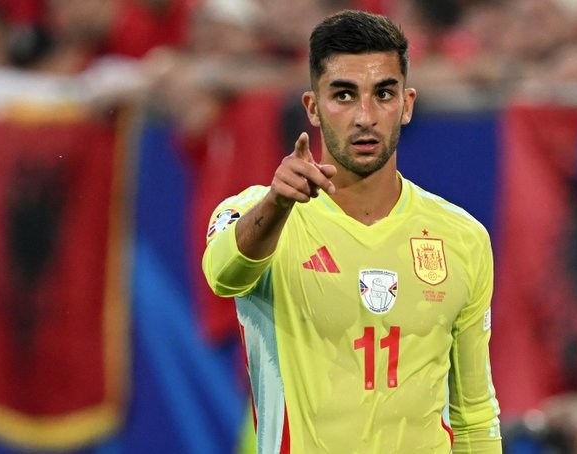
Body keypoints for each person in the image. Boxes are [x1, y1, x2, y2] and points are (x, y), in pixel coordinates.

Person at [202, 9, 502, 453]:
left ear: (407, 105)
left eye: (384, 94)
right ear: (313, 108)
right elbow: (223, 275)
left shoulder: (462, 237)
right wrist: (276, 205)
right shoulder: (258, 213)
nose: (365, 116)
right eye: (344, 95)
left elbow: (474, 414)